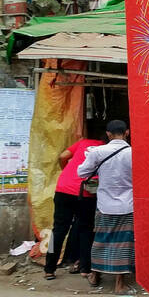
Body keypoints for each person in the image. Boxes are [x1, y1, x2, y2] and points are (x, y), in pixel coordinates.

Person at [43, 120, 104, 282]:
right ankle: (85, 268)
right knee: (86, 230)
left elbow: (63, 156)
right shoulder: (106, 148)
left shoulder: (82, 143)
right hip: (86, 193)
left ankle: (49, 269)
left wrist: (67, 171)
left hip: (63, 189)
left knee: (58, 230)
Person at [78, 119, 134, 295]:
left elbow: (82, 172)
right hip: (127, 204)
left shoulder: (98, 152)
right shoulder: (134, 153)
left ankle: (94, 275)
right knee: (124, 243)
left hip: (104, 204)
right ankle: (120, 284)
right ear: (127, 133)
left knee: (101, 240)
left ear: (108, 134)